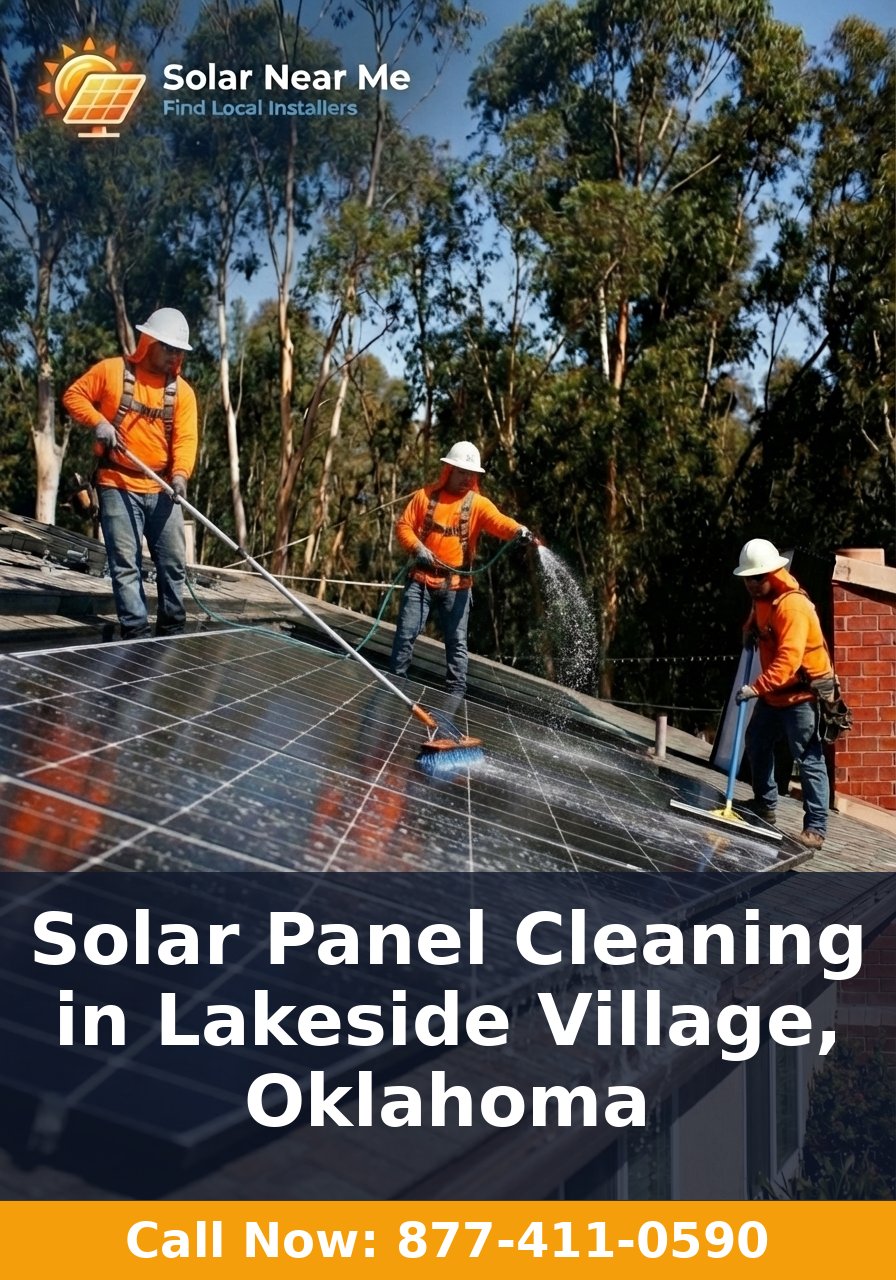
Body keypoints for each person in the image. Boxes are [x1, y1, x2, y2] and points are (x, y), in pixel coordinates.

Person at [63, 308, 198, 639]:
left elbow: (185, 439)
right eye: (168, 347)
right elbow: (73, 396)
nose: (174, 355)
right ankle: (137, 636)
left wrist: (180, 476)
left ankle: (171, 632)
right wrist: (99, 422)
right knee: (126, 563)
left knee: (172, 565)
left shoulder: (182, 393)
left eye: (179, 350)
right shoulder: (111, 372)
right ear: (148, 342)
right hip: (117, 483)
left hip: (163, 488)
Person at [390, 441, 534, 696]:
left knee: (456, 644)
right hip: (421, 579)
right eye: (461, 472)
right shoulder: (425, 496)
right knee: (406, 633)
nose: (466, 478)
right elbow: (404, 526)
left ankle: (456, 696)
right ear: (448, 470)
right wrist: (417, 548)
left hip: (457, 586)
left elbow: (500, 522)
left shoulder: (477, 504)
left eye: (471, 473)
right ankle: (395, 686)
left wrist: (518, 530)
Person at [732, 538, 833, 850]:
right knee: (758, 741)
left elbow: (788, 662)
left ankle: (815, 828)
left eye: (755, 578)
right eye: (747, 578)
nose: (749, 584)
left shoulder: (793, 607)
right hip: (776, 694)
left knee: (808, 757)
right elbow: (757, 618)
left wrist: (755, 688)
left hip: (800, 695)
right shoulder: (762, 596)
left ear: (770, 574)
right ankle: (765, 804)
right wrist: (748, 629)